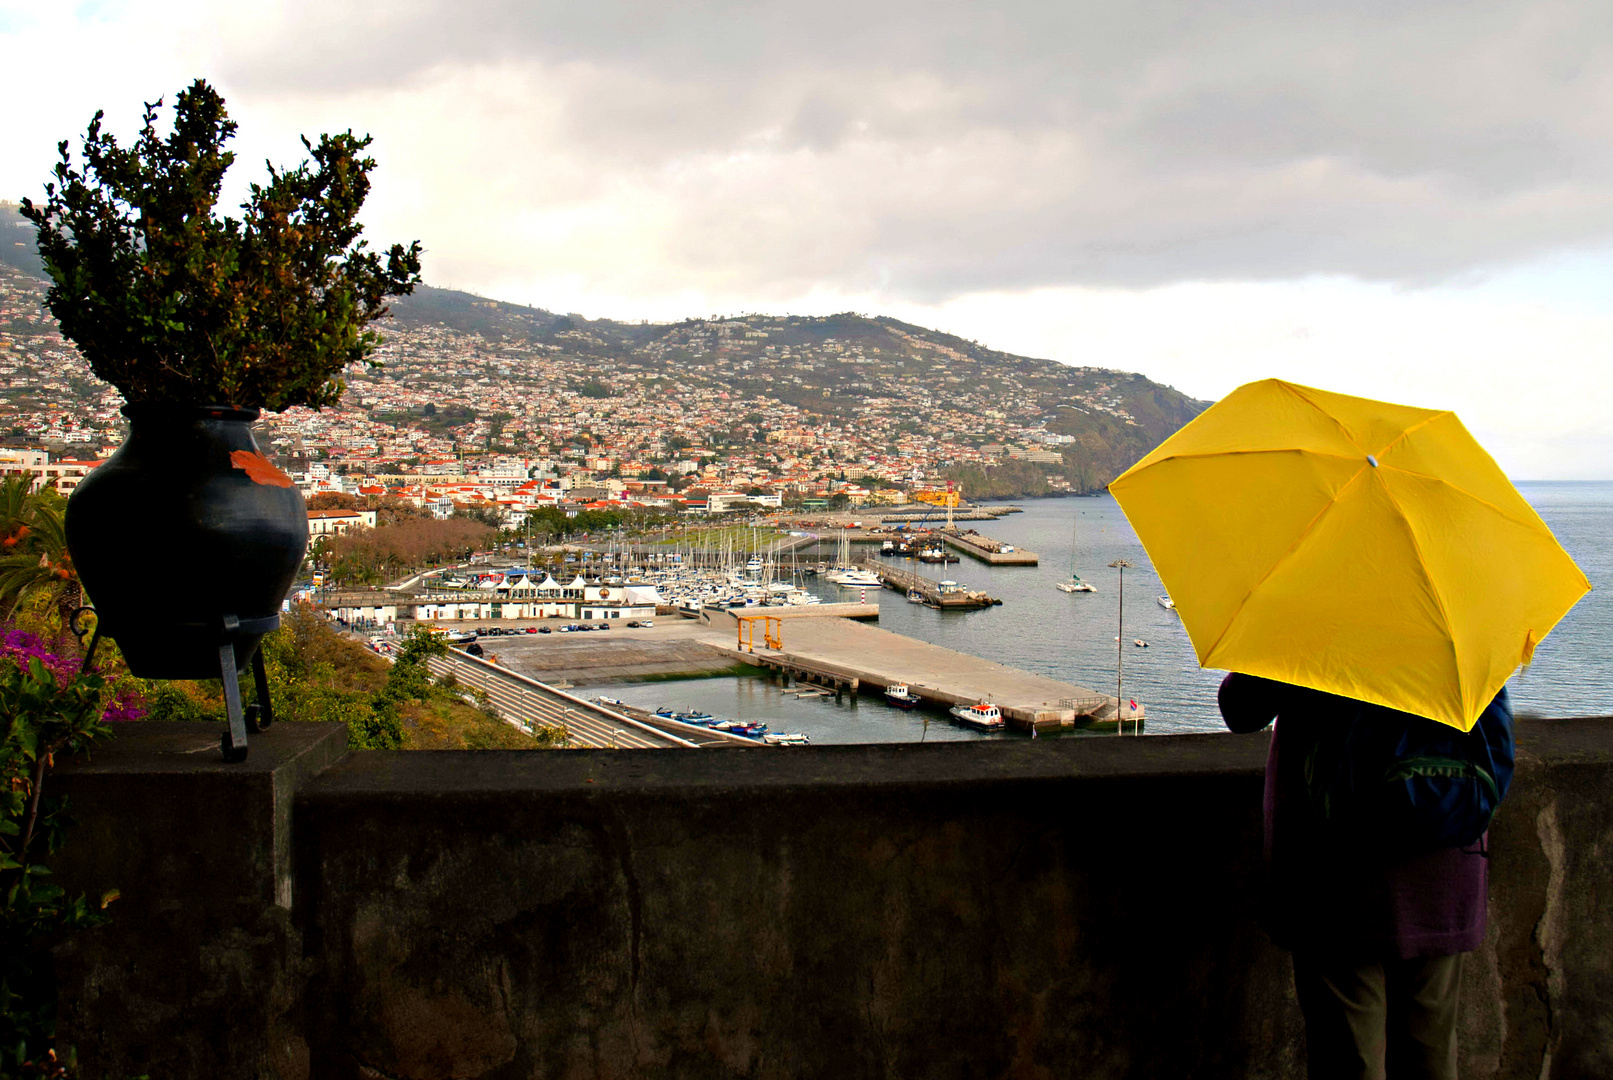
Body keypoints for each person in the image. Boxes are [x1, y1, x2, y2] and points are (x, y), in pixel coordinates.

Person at [1219, 673, 1511, 1080]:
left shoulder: (1317, 617)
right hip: (1441, 859)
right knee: (1431, 1057)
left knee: (1350, 1059)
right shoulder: (1454, 620)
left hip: (1336, 874)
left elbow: (1241, 708)